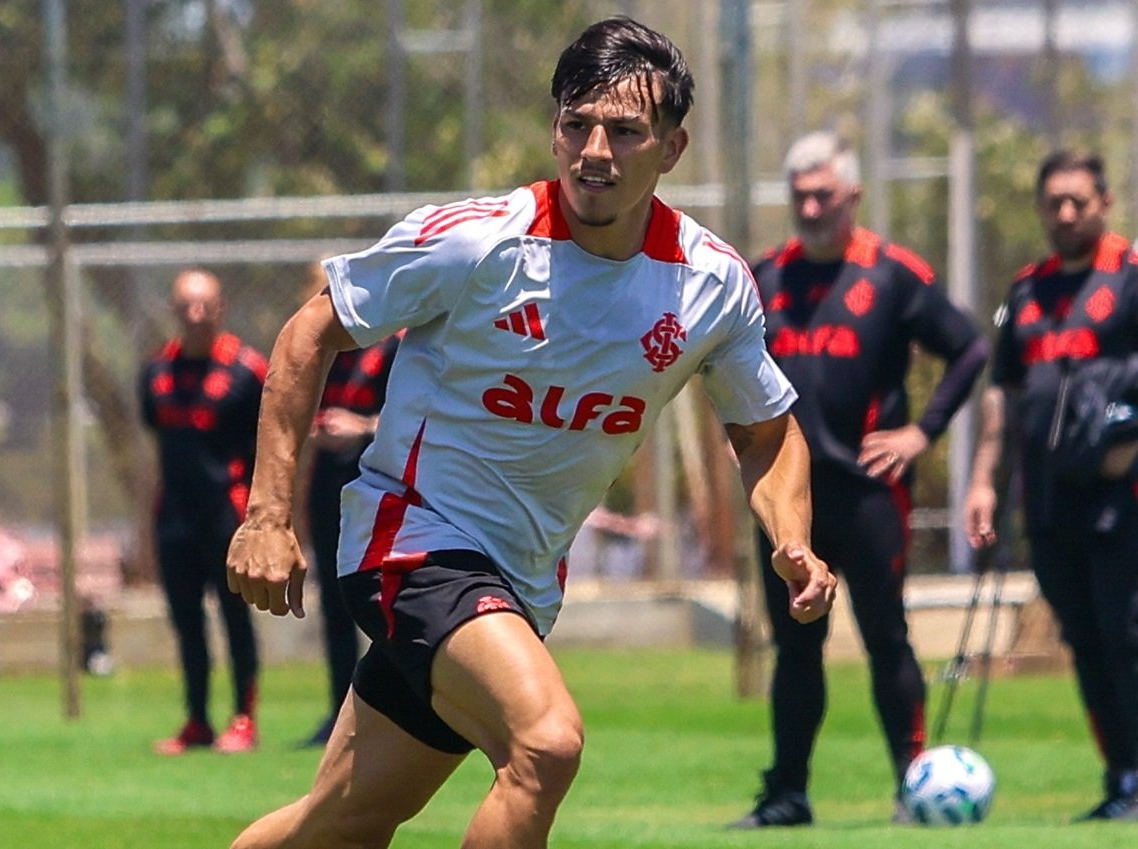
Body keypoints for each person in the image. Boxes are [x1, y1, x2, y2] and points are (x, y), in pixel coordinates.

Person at [225, 16, 837, 849]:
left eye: (625, 131)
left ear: (673, 148)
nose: (595, 152)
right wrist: (267, 515)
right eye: (577, 124)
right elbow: (310, 332)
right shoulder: (478, 241)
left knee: (342, 822)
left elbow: (765, 432)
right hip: (411, 540)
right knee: (545, 742)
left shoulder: (710, 286)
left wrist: (792, 537)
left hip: (518, 582)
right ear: (553, 129)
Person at [732, 131, 989, 828]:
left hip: (870, 495)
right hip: (787, 499)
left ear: (853, 195)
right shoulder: (763, 277)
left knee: (886, 637)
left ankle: (914, 785)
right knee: (795, 646)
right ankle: (787, 794)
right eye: (800, 195)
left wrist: (921, 432)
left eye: (824, 194)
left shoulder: (893, 274)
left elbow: (969, 349)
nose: (811, 207)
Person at [964, 150, 1138, 822]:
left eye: (1078, 202)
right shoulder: (1027, 291)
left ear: (1105, 204)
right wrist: (984, 480)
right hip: (1048, 500)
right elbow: (1004, 393)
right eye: (1053, 202)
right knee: (1088, 642)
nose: (1065, 214)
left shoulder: (1128, 275)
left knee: (1127, 637)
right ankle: (1122, 778)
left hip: (1121, 498)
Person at [140, 267, 267, 755]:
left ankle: (244, 719)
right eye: (186, 306)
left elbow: (271, 442)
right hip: (174, 516)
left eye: (204, 306)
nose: (195, 316)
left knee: (235, 616)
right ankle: (197, 720)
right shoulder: (156, 372)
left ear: (220, 308)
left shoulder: (247, 370)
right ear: (173, 311)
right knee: (186, 621)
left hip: (227, 514)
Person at [295, 266, 401, 748]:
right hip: (327, 487)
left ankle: (394, 715)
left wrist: (360, 427)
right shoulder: (323, 354)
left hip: (379, 488)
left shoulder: (394, 347)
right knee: (335, 604)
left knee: (385, 602)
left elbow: (416, 418)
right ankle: (340, 711)